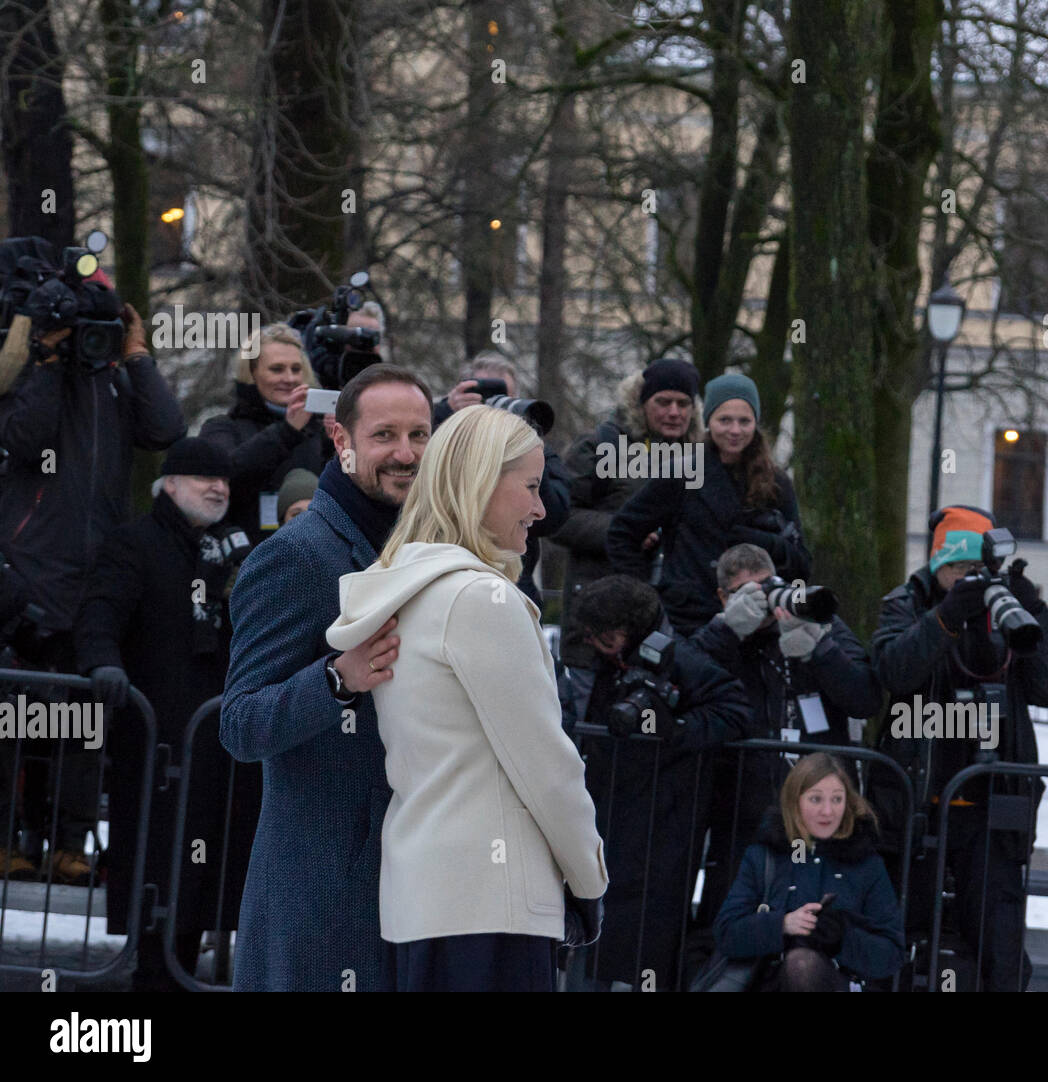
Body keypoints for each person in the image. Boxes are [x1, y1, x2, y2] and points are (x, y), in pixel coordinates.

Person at [325, 403, 607, 992]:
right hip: (490, 908)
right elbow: (545, 766)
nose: (541, 507)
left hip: (425, 899)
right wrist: (588, 879)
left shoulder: (409, 588)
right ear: (480, 483)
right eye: (529, 487)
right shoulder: (481, 601)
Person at [220, 363, 434, 991]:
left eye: (419, 435)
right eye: (385, 435)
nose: (405, 453)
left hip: (407, 879)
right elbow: (240, 724)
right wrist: (336, 680)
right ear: (341, 441)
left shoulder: (427, 551)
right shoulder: (296, 554)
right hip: (320, 889)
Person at [0, 259, 184, 885]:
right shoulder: (34, 374)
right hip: (31, 568)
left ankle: (70, 842)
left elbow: (165, 429)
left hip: (97, 571)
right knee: (16, 713)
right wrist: (49, 359)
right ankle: (10, 837)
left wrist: (135, 355)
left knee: (83, 718)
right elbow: (25, 440)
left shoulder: (116, 379)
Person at [76, 437, 259, 990]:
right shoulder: (134, 544)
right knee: (159, 871)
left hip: (218, 746)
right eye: (204, 476)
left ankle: (180, 969)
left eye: (224, 478)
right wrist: (103, 664)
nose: (218, 487)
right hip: (157, 745)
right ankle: (153, 975)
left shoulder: (237, 551)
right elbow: (100, 614)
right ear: (170, 484)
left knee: (203, 875)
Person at [871, 505, 1048, 991]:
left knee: (998, 942)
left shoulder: (1009, 611)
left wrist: (1034, 613)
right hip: (917, 799)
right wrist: (946, 618)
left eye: (977, 570)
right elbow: (894, 672)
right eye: (957, 569)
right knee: (898, 933)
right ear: (938, 567)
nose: (969, 580)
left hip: (992, 802)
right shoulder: (906, 603)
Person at [570, 574, 751, 990]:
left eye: (600, 635)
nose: (592, 643)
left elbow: (735, 710)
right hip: (611, 813)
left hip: (660, 823)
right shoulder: (601, 664)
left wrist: (677, 731)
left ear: (622, 633)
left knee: (645, 941)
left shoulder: (682, 660)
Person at [689, 543, 881, 923]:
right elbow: (687, 679)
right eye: (749, 595)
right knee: (735, 923)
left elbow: (865, 699)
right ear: (724, 597)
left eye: (768, 588)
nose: (764, 605)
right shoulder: (721, 638)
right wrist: (726, 631)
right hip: (745, 813)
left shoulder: (814, 620)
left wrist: (819, 649)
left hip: (819, 809)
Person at [552, 358, 702, 718]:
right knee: (587, 732)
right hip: (599, 623)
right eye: (662, 402)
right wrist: (622, 531)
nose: (673, 412)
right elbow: (556, 516)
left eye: (683, 404)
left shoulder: (700, 458)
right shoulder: (601, 446)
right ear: (640, 403)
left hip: (673, 621)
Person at [606, 372, 810, 636]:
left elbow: (802, 564)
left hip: (760, 624)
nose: (735, 430)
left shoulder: (776, 482)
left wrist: (766, 543)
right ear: (708, 422)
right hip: (691, 622)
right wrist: (648, 599)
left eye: (744, 421)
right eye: (725, 420)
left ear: (755, 423)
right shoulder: (680, 473)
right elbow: (622, 533)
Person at [712, 752, 905, 991]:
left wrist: (842, 937)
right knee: (800, 964)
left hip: (842, 982)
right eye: (816, 799)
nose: (828, 811)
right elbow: (726, 934)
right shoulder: (764, 855)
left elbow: (892, 955)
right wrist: (782, 924)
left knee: (803, 965)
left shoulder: (866, 863)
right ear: (795, 801)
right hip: (770, 981)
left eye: (837, 799)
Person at [433, 352, 569, 607]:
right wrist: (445, 414)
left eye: (504, 396)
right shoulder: (441, 439)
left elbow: (553, 516)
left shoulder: (536, 451)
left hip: (515, 577)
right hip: (453, 575)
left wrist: (527, 442)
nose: (494, 404)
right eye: (483, 395)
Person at [199, 322, 328, 546]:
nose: (289, 378)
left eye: (296, 369)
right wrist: (287, 431)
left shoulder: (319, 430)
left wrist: (339, 443)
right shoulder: (222, 427)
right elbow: (225, 477)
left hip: (314, 552)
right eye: (277, 369)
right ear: (251, 373)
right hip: (246, 558)